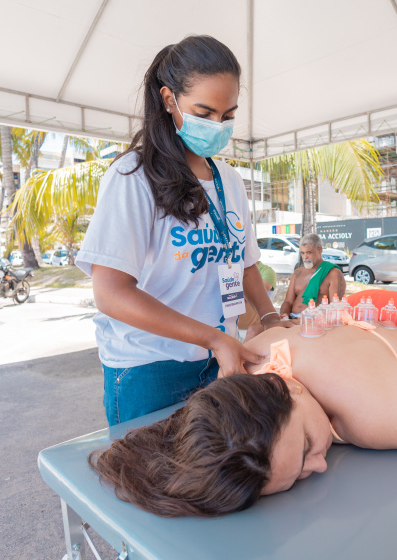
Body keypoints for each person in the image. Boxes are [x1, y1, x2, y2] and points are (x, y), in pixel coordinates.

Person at [89, 291, 397, 517]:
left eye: (309, 445)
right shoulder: (240, 379)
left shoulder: (376, 414)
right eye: (299, 475)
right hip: (356, 311)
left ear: (289, 390)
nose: (321, 465)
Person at [76, 36, 294, 427]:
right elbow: (110, 293)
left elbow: (244, 265)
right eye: (204, 112)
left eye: (228, 116)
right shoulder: (132, 177)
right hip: (150, 367)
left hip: (221, 359)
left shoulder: (229, 180)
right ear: (169, 100)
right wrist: (212, 338)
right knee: (154, 483)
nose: (218, 126)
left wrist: (270, 316)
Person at [280, 233, 346, 320]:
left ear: (320, 250)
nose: (305, 257)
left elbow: (336, 307)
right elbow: (288, 301)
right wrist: (284, 314)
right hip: (292, 320)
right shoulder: (298, 273)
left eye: (309, 253)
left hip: (316, 322)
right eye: (302, 253)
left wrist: (309, 319)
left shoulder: (333, 273)